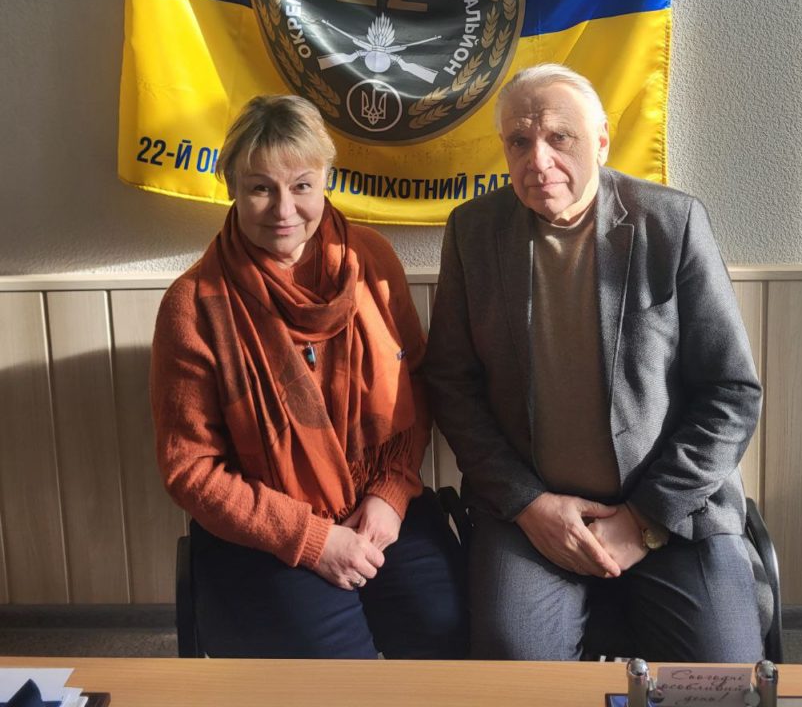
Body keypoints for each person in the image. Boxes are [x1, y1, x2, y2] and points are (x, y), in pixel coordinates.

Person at [423, 63, 763, 662]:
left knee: (725, 676)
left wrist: (644, 519)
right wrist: (528, 504)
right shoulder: (473, 232)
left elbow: (732, 392)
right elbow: (452, 384)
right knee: (513, 670)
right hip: (532, 515)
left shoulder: (672, 222)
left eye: (560, 137)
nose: (539, 160)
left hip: (673, 508)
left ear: (601, 141)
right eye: (519, 141)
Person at [151, 94, 467, 659]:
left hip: (379, 500)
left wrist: (392, 493)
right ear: (231, 186)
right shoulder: (193, 303)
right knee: (334, 674)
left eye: (301, 185)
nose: (283, 209)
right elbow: (191, 469)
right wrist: (312, 539)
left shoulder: (372, 259)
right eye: (260, 187)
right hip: (266, 529)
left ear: (326, 181)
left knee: (449, 631)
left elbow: (415, 382)